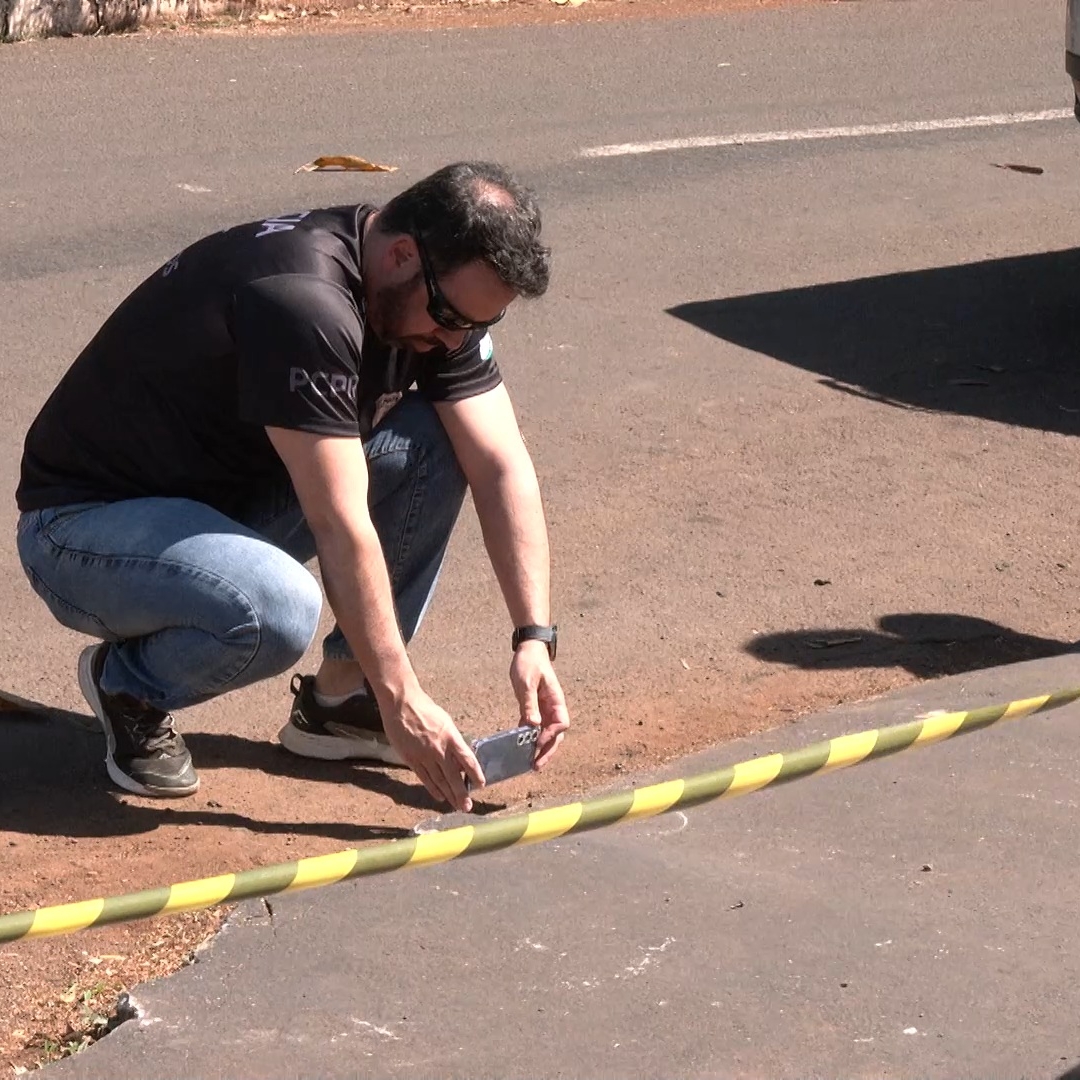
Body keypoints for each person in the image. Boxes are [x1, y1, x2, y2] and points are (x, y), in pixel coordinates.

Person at [14, 161, 570, 814]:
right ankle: (130, 686)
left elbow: (499, 462)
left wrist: (534, 637)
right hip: (84, 530)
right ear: (400, 255)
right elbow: (340, 523)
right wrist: (404, 699)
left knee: (436, 443)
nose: (453, 339)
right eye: (449, 315)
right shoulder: (302, 300)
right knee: (277, 608)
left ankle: (343, 701)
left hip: (222, 508)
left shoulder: (423, 298)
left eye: (478, 325)